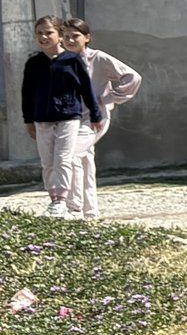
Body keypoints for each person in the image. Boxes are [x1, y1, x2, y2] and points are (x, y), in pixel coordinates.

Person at [58, 18, 141, 223]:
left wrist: (107, 99)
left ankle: (73, 208)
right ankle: (91, 212)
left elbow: (133, 78)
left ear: (86, 38)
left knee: (71, 155)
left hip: (95, 119)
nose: (70, 40)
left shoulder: (99, 58)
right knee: (85, 160)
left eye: (75, 36)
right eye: (66, 37)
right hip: (71, 119)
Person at [19, 15, 101, 219]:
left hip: (68, 118)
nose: (44, 37)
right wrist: (28, 120)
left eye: (49, 32)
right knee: (47, 161)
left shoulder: (72, 61)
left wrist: (95, 115)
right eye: (39, 33)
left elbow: (86, 89)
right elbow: (26, 93)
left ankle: (61, 201)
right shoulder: (33, 63)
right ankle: (53, 198)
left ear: (59, 35)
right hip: (42, 119)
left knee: (63, 158)